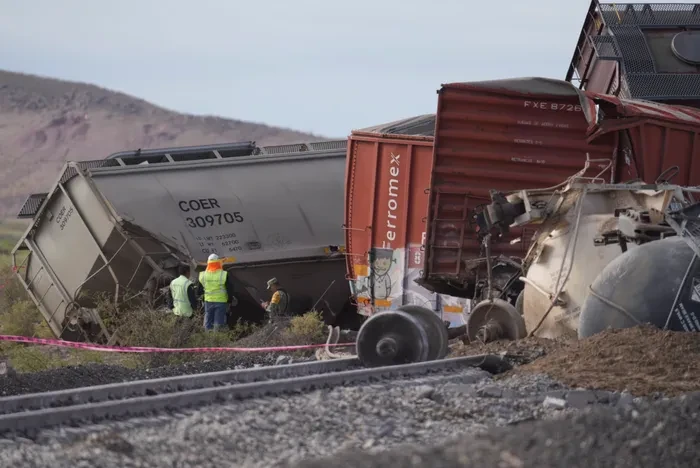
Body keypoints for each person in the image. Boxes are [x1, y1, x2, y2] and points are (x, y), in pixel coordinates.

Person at [196, 253, 235, 331]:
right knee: (218, 322)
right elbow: (229, 289)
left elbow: (198, 291)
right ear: (218, 263)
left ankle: (207, 338)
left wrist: (204, 296)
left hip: (208, 301)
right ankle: (216, 338)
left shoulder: (202, 275)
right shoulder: (223, 274)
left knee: (208, 320)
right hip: (221, 301)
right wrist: (230, 300)